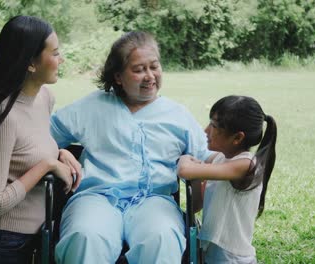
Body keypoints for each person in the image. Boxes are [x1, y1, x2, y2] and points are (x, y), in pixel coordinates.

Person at [50, 31, 212, 263]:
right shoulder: (92, 106)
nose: (150, 76)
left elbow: (204, 156)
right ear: (118, 76)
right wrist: (59, 152)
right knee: (85, 236)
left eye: (154, 67)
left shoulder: (177, 115)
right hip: (96, 196)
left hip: (154, 200)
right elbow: (40, 138)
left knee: (161, 237)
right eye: (139, 70)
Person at [0, 15, 82, 264]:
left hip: (33, 240)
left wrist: (60, 153)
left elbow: (31, 145)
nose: (62, 59)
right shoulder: (6, 115)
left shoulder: (44, 98)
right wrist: (47, 166)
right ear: (30, 62)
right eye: (55, 53)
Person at [177, 95, 277, 264]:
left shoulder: (246, 165)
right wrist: (197, 174)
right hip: (213, 254)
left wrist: (186, 160)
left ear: (237, 138)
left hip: (232, 258)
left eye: (214, 126)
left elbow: (185, 170)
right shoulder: (221, 159)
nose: (206, 130)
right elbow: (197, 204)